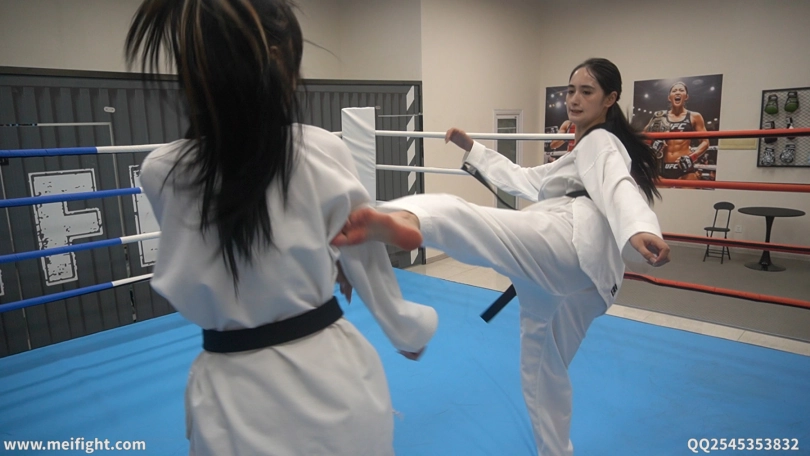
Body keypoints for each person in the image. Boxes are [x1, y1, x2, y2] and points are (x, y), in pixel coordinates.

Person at [125, 1, 437, 455]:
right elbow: (361, 251)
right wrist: (407, 330)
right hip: (333, 379)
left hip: (230, 395)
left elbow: (219, 247)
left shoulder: (162, 171)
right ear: (285, 65)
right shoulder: (320, 150)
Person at [332, 58, 671, 456]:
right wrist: (474, 150)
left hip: (569, 239)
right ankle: (555, 451)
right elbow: (526, 180)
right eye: (570, 91)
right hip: (589, 282)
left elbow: (617, 184)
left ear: (610, 99)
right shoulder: (578, 152)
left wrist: (640, 226)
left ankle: (408, 218)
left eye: (586, 92)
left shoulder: (601, 142)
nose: (574, 100)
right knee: (543, 373)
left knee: (463, 217)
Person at [642, 81, 710, 180]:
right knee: (658, 190)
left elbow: (705, 142)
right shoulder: (659, 116)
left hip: (684, 167)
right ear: (669, 97)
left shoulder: (694, 116)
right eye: (674, 91)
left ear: (686, 97)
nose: (678, 92)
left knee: (690, 189)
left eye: (681, 90)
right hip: (662, 167)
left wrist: (692, 157)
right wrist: (652, 143)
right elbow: (642, 136)